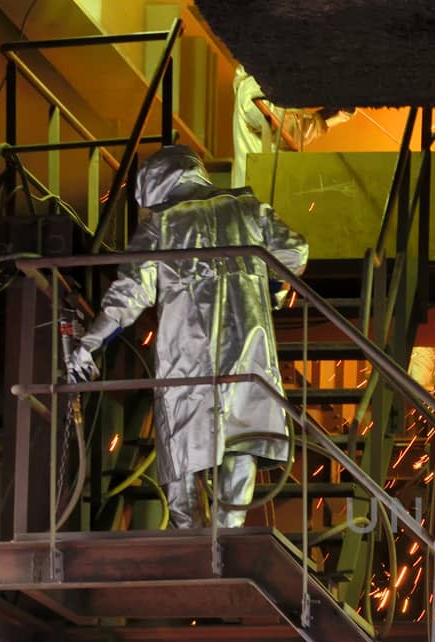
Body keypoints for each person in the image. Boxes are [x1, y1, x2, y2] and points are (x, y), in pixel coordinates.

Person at [67, 145, 309, 529]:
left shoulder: (161, 226)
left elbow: (129, 295)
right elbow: (294, 251)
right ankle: (227, 537)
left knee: (183, 448)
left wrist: (92, 343)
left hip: (188, 361)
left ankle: (192, 539)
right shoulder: (248, 209)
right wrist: (274, 290)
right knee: (243, 441)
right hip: (250, 353)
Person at [232, 65, 353, 191]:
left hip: (270, 193)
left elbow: (290, 128)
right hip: (258, 198)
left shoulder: (271, 86)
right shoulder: (252, 87)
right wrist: (332, 116)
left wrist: (333, 114)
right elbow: (281, 129)